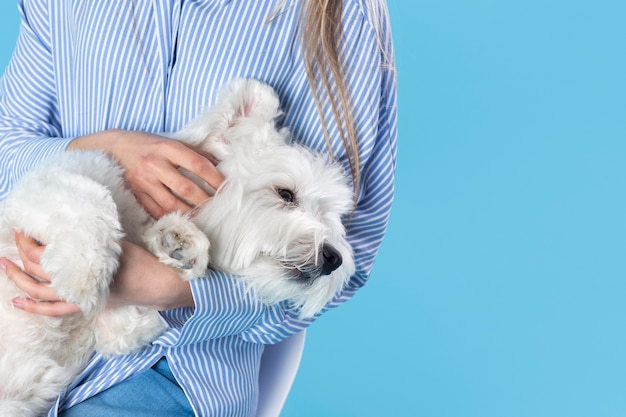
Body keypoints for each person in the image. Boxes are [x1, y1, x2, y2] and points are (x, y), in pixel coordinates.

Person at [0, 0, 398, 416]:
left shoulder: (338, 13)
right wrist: (107, 149)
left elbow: (342, 256)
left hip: (171, 362)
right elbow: (8, 141)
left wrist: (176, 290)